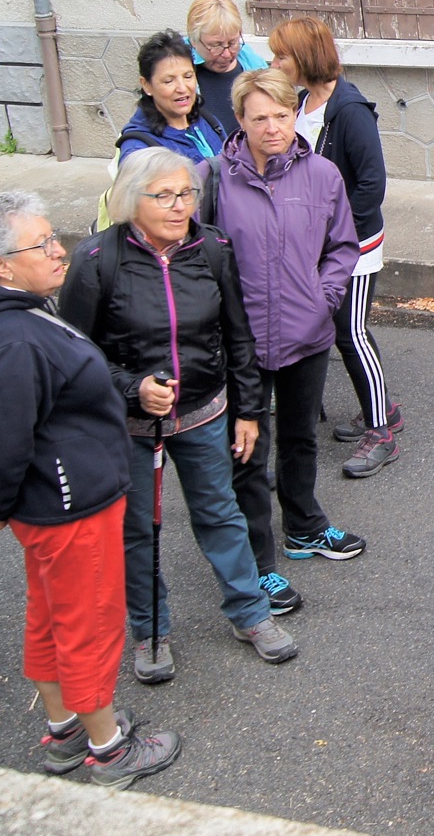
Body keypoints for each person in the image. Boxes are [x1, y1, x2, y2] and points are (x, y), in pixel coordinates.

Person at [0, 191, 181, 789]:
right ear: (0, 265)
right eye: (41, 244)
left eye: (53, 237)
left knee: (50, 617)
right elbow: (7, 430)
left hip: (49, 503)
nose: (59, 250)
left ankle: (66, 728)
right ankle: (109, 748)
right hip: (69, 504)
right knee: (90, 623)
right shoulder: (15, 337)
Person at [60, 147, 296, 685]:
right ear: (129, 201)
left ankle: (250, 614)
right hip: (129, 426)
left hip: (205, 413)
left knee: (221, 513)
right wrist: (131, 388)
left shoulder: (212, 247)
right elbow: (74, 355)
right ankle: (150, 630)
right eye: (163, 196)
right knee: (137, 530)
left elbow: (238, 335)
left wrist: (249, 411)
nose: (178, 205)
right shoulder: (97, 261)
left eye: (185, 193)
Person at [213, 69, 368, 601]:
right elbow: (200, 259)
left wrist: (320, 299)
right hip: (243, 343)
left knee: (300, 439)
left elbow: (342, 248)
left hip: (305, 335)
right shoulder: (212, 178)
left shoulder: (322, 174)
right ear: (240, 121)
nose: (273, 127)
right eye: (260, 118)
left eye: (282, 115)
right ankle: (257, 562)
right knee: (249, 452)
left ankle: (303, 527)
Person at [268, 16, 400, 478]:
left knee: (350, 334)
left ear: (304, 57)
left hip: (354, 244)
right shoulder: (303, 103)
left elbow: (371, 186)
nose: (274, 62)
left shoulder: (349, 110)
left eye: (281, 55)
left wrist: (334, 234)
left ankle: (382, 430)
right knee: (345, 333)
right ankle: (382, 409)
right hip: (318, 244)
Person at [116, 30, 228, 164]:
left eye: (188, 76)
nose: (182, 88)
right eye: (169, 81)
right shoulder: (139, 150)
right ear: (146, 85)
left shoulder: (208, 121)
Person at [187, 0, 267, 137]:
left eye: (233, 43)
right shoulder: (179, 72)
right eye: (216, 45)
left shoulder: (256, 67)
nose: (227, 54)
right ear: (194, 40)